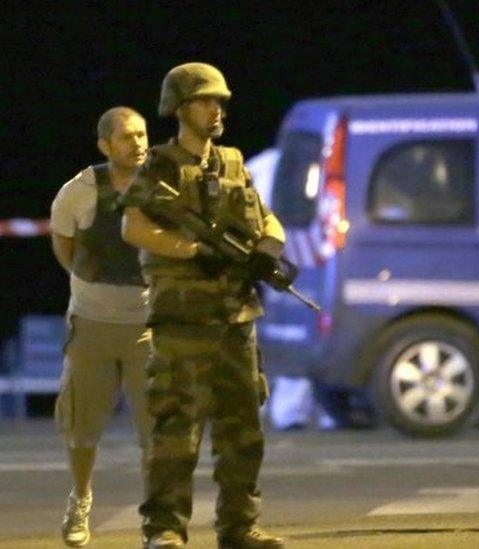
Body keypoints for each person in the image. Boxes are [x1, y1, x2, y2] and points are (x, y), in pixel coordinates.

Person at [120, 62, 285, 549]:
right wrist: (193, 250)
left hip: (236, 315)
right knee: (176, 429)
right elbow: (134, 227)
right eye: (205, 101)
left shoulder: (234, 164)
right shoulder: (161, 166)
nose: (217, 110)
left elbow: (266, 219)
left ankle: (239, 526)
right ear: (179, 107)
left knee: (243, 430)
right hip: (182, 319)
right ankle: (165, 529)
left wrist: (267, 250)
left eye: (220, 102)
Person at [50, 106, 153, 547]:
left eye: (143, 134)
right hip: (92, 325)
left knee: (158, 431)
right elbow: (65, 249)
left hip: (148, 329)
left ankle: (159, 515)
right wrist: (97, 294)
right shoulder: (78, 191)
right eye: (127, 136)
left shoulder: (162, 186)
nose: (139, 143)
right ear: (105, 145)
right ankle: (81, 499)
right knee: (81, 429)